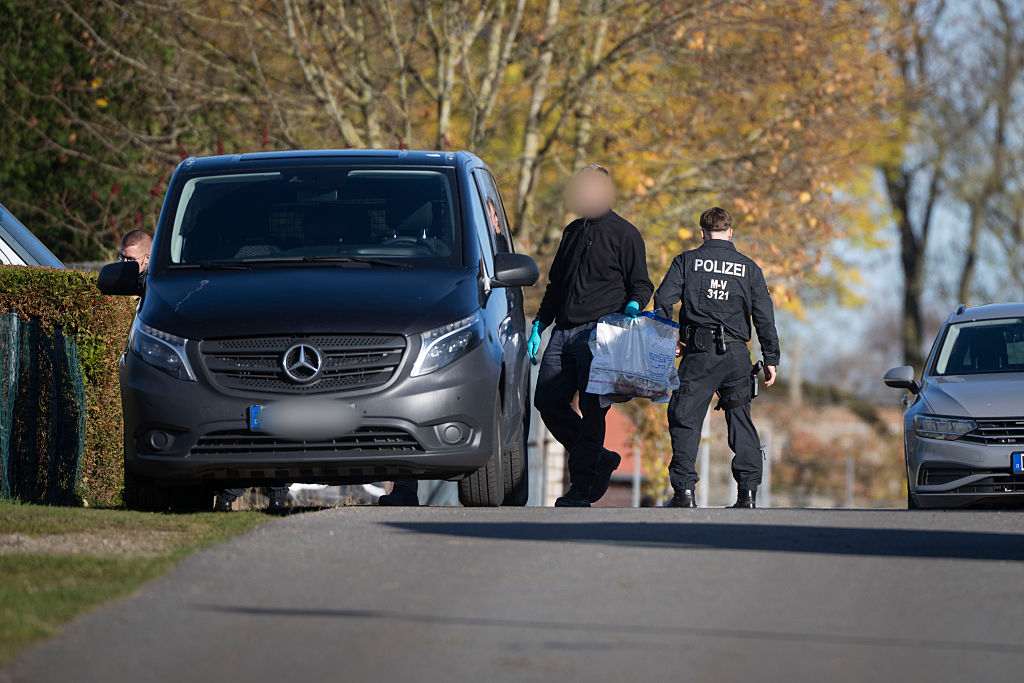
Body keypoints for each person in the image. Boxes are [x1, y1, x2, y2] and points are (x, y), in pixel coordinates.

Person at [528, 164, 654, 507]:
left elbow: (641, 283)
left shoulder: (625, 234)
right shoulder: (571, 232)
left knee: (592, 409)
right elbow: (556, 286)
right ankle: (599, 456)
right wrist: (540, 324)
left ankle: (581, 488)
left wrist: (633, 305)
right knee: (547, 403)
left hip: (601, 335)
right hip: (563, 333)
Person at [653, 207, 780, 509]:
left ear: (702, 233)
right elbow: (764, 315)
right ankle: (747, 494)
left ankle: (684, 494)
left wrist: (668, 339)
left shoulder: (686, 262)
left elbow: (663, 300)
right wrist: (771, 357)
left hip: (699, 355)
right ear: (730, 232)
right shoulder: (749, 268)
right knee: (741, 421)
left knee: (684, 420)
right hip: (737, 356)